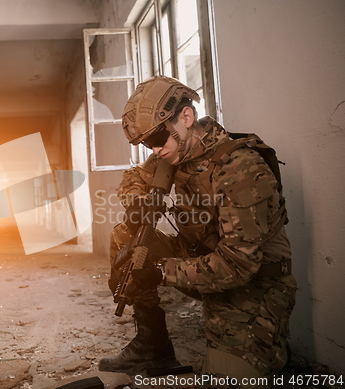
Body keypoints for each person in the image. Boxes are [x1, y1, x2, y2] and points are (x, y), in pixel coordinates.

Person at [99, 75, 297, 388]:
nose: (155, 149)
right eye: (148, 143)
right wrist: (138, 202)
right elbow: (134, 177)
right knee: (126, 234)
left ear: (186, 117)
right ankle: (154, 347)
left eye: (158, 138)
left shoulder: (240, 168)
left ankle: (268, 345)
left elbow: (239, 265)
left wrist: (161, 271)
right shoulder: (175, 151)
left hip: (253, 285)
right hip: (202, 265)